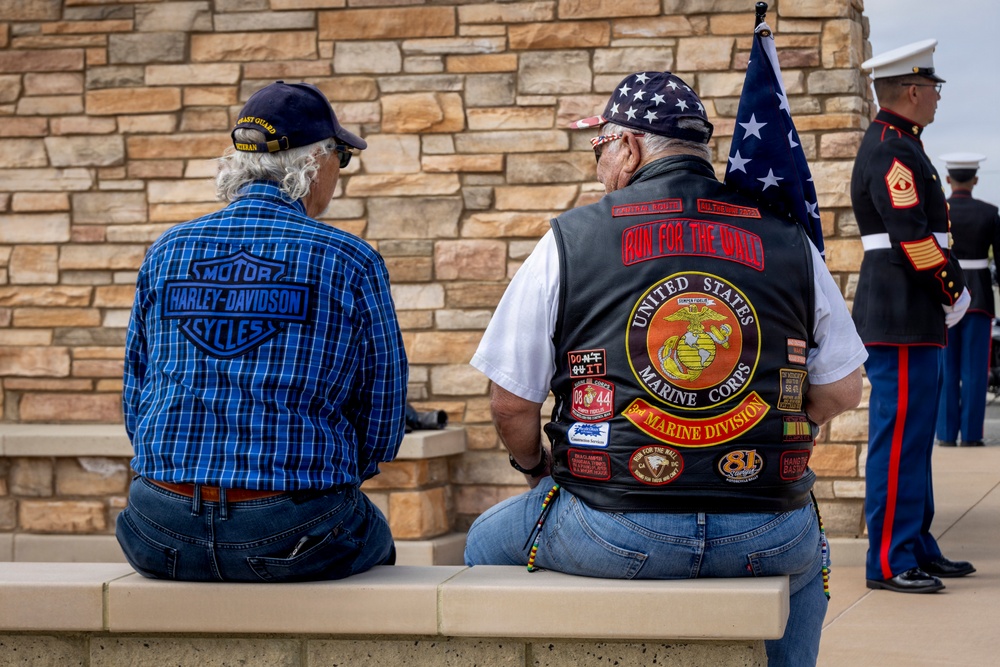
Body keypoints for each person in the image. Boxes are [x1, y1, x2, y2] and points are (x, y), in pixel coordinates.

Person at [465, 71, 866, 666]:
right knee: (808, 561)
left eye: (599, 147)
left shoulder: (569, 239)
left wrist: (534, 467)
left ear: (628, 147)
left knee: (484, 542)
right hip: (767, 528)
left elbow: (510, 404)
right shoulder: (790, 238)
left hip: (610, 524)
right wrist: (778, 426)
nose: (599, 165)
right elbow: (842, 389)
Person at [116, 81, 408, 582]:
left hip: (156, 526)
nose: (340, 172)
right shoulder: (348, 259)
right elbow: (383, 411)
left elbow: (136, 392)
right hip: (294, 529)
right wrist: (325, 476)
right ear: (315, 161)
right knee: (373, 539)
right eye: (342, 157)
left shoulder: (168, 250)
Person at [851, 40, 976, 594]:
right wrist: (954, 290)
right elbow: (912, 237)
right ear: (911, 90)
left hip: (911, 308)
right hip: (901, 307)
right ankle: (889, 558)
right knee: (900, 437)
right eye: (932, 88)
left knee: (916, 437)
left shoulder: (902, 143)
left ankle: (916, 543)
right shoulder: (891, 149)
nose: (937, 97)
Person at [935, 153, 1000, 447]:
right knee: (975, 371)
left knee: (947, 368)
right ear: (975, 180)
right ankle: (972, 435)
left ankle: (947, 434)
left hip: (945, 295)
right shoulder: (990, 213)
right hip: (980, 297)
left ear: (948, 179)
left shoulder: (939, 212)